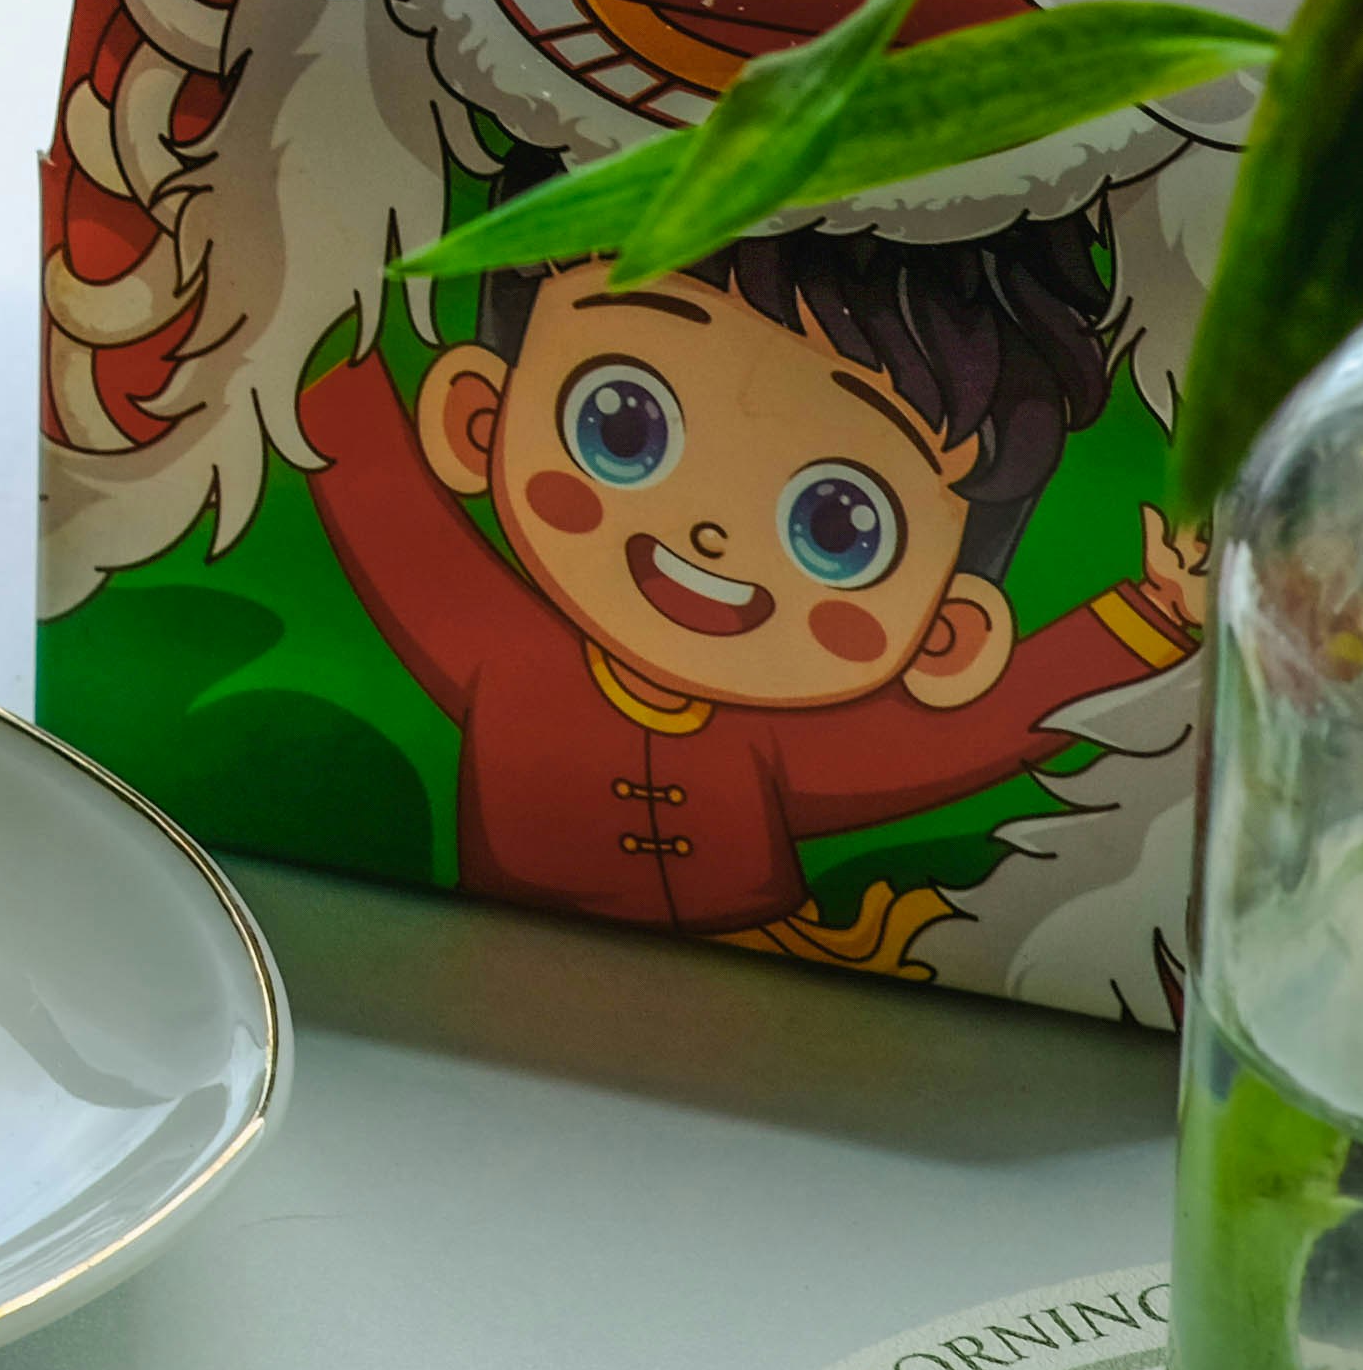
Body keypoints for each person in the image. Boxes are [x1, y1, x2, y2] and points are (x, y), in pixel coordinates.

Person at [297, 187, 1205, 974]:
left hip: (779, 981)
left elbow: (975, 733)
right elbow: (374, 486)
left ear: (947, 634)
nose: (710, 534)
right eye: (621, 425)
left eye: (839, 527)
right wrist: (296, 293)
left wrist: (1157, 613)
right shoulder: (496, 646)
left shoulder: (769, 743)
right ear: (476, 422)